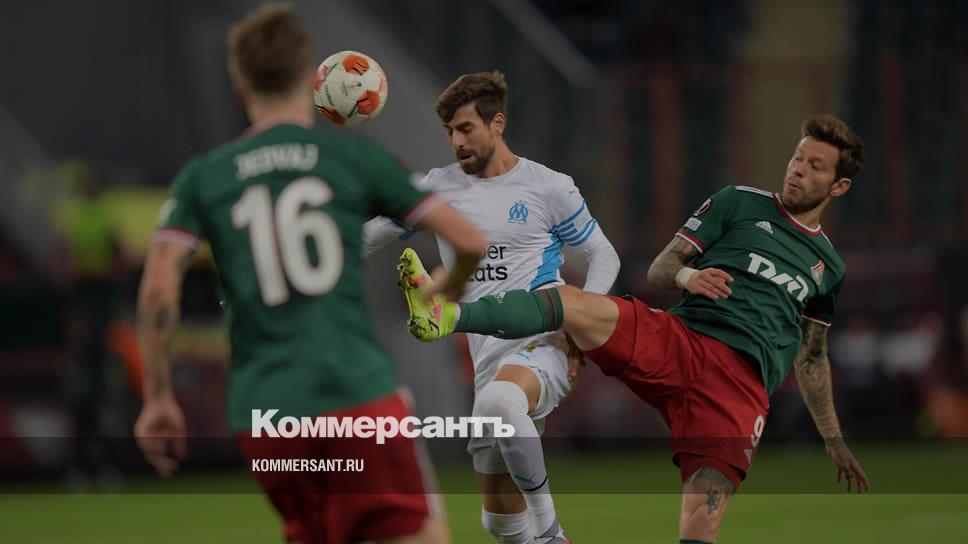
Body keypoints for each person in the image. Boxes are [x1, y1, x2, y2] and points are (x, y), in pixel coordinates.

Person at [399, 114, 871, 543]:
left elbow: (812, 355)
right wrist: (688, 276)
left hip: (738, 392)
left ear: (839, 185)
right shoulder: (738, 203)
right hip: (680, 341)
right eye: (797, 157)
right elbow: (660, 268)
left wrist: (832, 438)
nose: (798, 170)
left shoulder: (828, 267)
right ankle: (448, 316)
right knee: (570, 301)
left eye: (815, 166)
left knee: (701, 524)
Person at [133, 4, 487, 544]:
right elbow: (469, 241)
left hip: (267, 417)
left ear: (240, 89)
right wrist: (452, 283)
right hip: (356, 395)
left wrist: (158, 397)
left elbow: (159, 289)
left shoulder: (204, 178)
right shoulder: (352, 159)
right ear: (310, 81)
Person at [364, 71, 620, 544]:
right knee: (500, 520)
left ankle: (552, 535)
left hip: (544, 341)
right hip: (486, 357)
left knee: (501, 403)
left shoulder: (549, 186)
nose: (456, 141)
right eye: (449, 131)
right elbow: (369, 236)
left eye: (466, 128)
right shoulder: (437, 188)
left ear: (497, 123)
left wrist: (580, 322)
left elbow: (603, 254)